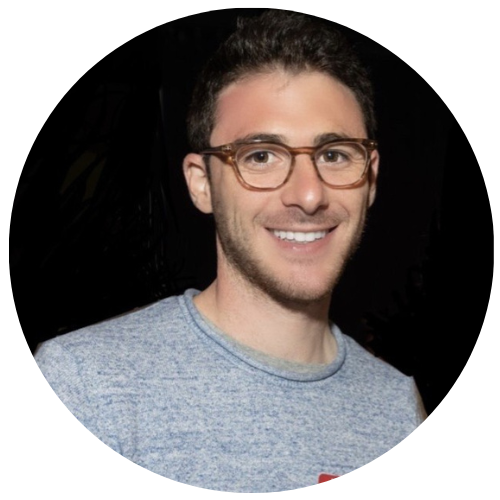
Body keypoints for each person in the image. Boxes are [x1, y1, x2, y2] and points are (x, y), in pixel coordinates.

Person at [34, 9, 426, 492]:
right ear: (202, 184)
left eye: (334, 154)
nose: (308, 195)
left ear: (371, 179)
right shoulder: (86, 386)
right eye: (260, 156)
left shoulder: (397, 409)